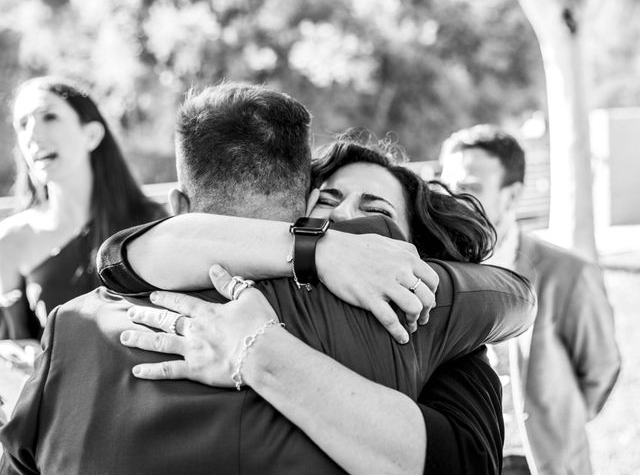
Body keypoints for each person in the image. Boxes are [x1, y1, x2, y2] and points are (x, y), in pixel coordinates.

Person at [0, 84, 535, 475]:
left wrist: (258, 351)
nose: (347, 224)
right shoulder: (93, 307)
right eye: (328, 202)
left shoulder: (425, 318)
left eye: (375, 214)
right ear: (300, 210)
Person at [439, 124, 621, 475]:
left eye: (470, 188)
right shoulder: (434, 272)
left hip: (543, 463)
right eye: (447, 186)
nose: (452, 199)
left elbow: (601, 368)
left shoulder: (568, 274)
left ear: (512, 195)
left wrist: (558, 422)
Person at [0, 77, 166, 341]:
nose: (32, 135)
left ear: (91, 135)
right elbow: (14, 344)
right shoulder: (10, 239)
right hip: (54, 381)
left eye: (49, 117)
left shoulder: (150, 223)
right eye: (22, 124)